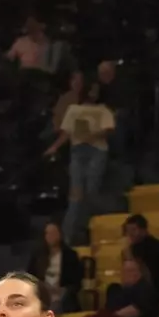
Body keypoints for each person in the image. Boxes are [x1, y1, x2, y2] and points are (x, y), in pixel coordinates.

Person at [51, 81, 116, 245]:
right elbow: (66, 132)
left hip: (97, 151)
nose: (93, 93)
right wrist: (54, 147)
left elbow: (108, 129)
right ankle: (66, 237)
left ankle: (90, 230)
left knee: (91, 191)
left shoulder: (103, 110)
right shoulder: (74, 110)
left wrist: (92, 133)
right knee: (75, 196)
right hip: (78, 152)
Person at [67, 256, 159, 317]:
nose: (128, 274)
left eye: (132, 270)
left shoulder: (144, 288)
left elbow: (139, 309)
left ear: (140, 273)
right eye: (125, 271)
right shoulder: (116, 290)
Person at [27, 221, 85, 314]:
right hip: (43, 294)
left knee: (58, 303)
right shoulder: (37, 256)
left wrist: (64, 290)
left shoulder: (70, 255)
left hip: (63, 295)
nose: (51, 236)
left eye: (54, 233)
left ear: (60, 234)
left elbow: (77, 282)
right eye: (48, 233)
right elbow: (29, 278)